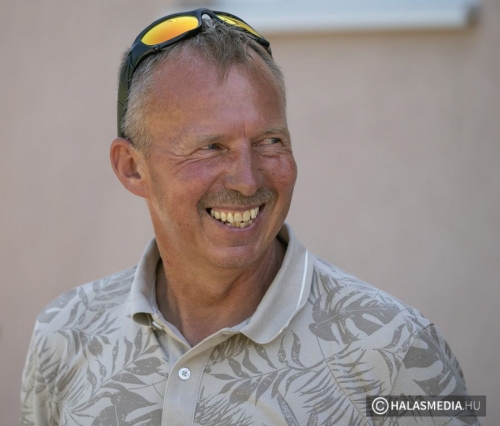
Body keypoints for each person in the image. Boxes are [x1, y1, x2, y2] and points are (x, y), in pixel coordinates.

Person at [21, 8, 479, 426]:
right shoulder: (64, 334)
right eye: (210, 147)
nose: (246, 180)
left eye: (269, 142)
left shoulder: (399, 350)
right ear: (131, 168)